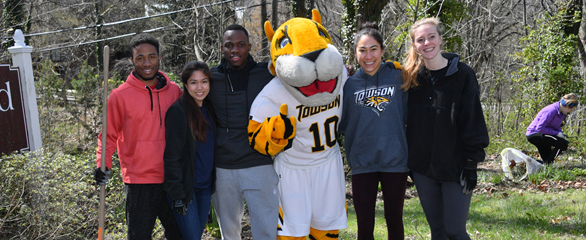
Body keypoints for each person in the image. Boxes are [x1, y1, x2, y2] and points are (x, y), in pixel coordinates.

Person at [402, 18, 489, 239]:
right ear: (414, 45)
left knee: (455, 231)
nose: (427, 43)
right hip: (423, 169)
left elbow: (473, 119)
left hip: (455, 167)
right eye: (420, 40)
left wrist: (471, 163)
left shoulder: (462, 74)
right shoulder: (410, 78)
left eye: (431, 37)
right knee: (438, 231)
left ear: (441, 39)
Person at [94, 33, 183, 239]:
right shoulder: (120, 95)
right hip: (138, 181)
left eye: (151, 56)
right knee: (139, 236)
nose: (146, 63)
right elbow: (108, 136)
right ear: (132, 60)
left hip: (171, 179)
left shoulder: (175, 92)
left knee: (179, 235)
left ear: (159, 58)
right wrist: (102, 165)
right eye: (140, 58)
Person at [338, 22, 409, 240]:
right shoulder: (348, 85)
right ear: (355, 53)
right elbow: (341, 123)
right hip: (362, 164)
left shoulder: (400, 77)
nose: (368, 56)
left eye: (373, 49)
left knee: (395, 220)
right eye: (362, 50)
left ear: (382, 51)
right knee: (364, 225)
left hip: (395, 161)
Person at [208, 24, 279, 239]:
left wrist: (343, 73)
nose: (235, 50)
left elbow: (299, 79)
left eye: (240, 45)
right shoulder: (211, 78)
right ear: (222, 48)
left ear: (249, 46)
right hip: (223, 167)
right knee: (229, 232)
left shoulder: (266, 74)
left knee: (267, 230)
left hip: (260, 163)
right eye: (229, 45)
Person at [163, 61, 216, 239]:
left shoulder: (209, 109)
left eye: (204, 81)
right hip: (187, 191)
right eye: (194, 82)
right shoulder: (178, 111)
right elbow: (171, 157)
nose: (199, 87)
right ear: (185, 85)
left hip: (205, 188)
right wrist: (177, 194)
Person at [526, 93, 578, 165]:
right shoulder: (551, 110)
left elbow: (556, 126)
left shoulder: (562, 113)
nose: (570, 111)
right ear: (566, 106)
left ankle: (529, 163)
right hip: (535, 134)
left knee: (547, 159)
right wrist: (556, 134)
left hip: (543, 134)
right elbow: (540, 128)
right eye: (571, 109)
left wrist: (560, 134)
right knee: (563, 144)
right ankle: (546, 164)